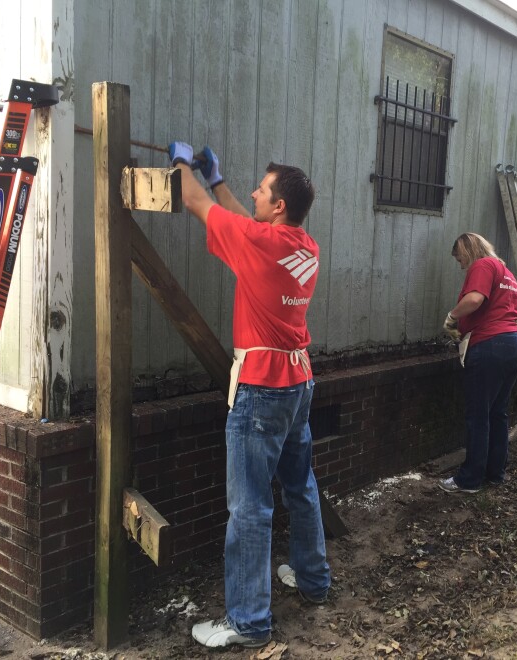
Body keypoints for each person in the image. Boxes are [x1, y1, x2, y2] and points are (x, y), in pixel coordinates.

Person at [167, 141, 330, 649]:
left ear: (278, 206)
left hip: (261, 389)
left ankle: (248, 621)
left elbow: (197, 205)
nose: (254, 194)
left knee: (250, 507)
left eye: (261, 190)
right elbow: (246, 225)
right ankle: (313, 580)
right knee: (300, 487)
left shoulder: (262, 243)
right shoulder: (303, 246)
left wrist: (183, 164)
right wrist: (218, 180)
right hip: (298, 383)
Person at [440, 233, 517, 494]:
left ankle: (469, 480)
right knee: (497, 412)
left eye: (460, 258)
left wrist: (452, 317)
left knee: (478, 415)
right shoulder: (505, 271)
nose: (461, 265)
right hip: (516, 343)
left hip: (492, 345)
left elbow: (475, 299)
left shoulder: (483, 265)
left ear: (468, 250)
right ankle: (495, 472)